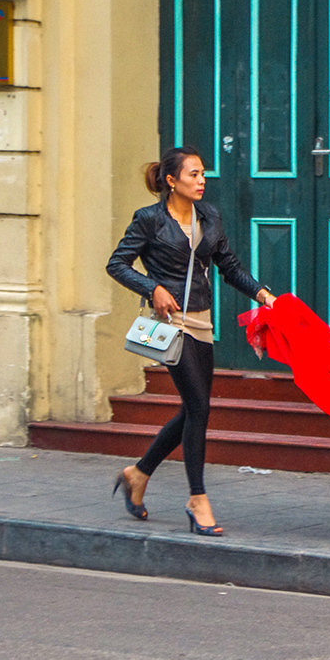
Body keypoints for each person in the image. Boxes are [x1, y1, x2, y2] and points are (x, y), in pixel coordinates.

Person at [107, 147, 275, 536]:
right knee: (198, 406)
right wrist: (152, 289)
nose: (202, 181)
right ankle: (197, 498)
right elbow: (117, 263)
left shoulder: (209, 216)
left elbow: (228, 266)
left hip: (202, 322)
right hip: (171, 325)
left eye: (203, 174)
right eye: (193, 174)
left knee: (192, 409)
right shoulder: (149, 220)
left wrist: (263, 295)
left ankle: (138, 473)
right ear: (171, 181)